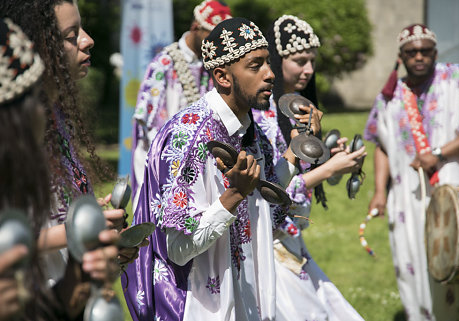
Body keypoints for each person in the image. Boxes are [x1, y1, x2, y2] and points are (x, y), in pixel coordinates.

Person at [122, 17, 301, 320]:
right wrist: (234, 196)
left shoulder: (248, 128)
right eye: (256, 66)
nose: (271, 75)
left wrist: (298, 149)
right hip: (197, 306)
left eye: (268, 63)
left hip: (243, 297)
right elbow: (176, 248)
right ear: (223, 76)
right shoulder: (189, 136)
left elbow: (264, 200)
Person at [0, 17, 118, 320]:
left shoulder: (58, 123)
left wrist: (79, 274)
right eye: (31, 103)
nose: (87, 40)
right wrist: (73, 233)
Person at [252, 15, 365, 321]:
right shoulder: (259, 113)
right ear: (276, 60)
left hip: (291, 240)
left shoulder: (298, 105)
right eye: (300, 61)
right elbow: (271, 187)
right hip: (267, 243)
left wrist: (331, 160)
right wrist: (328, 170)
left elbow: (299, 172)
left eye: (312, 61)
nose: (309, 70)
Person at [365, 24, 459, 320]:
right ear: (400, 57)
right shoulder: (389, 97)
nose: (419, 56)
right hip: (407, 199)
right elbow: (382, 145)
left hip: (456, 192)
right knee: (412, 261)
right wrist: (380, 191)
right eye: (411, 51)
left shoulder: (457, 78)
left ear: (435, 53)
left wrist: (439, 154)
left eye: (425, 51)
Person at [131, 0, 232, 208]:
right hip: (163, 158)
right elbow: (148, 121)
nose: (215, 45)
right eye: (210, 37)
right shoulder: (165, 62)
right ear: (196, 28)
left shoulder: (211, 64)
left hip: (200, 161)